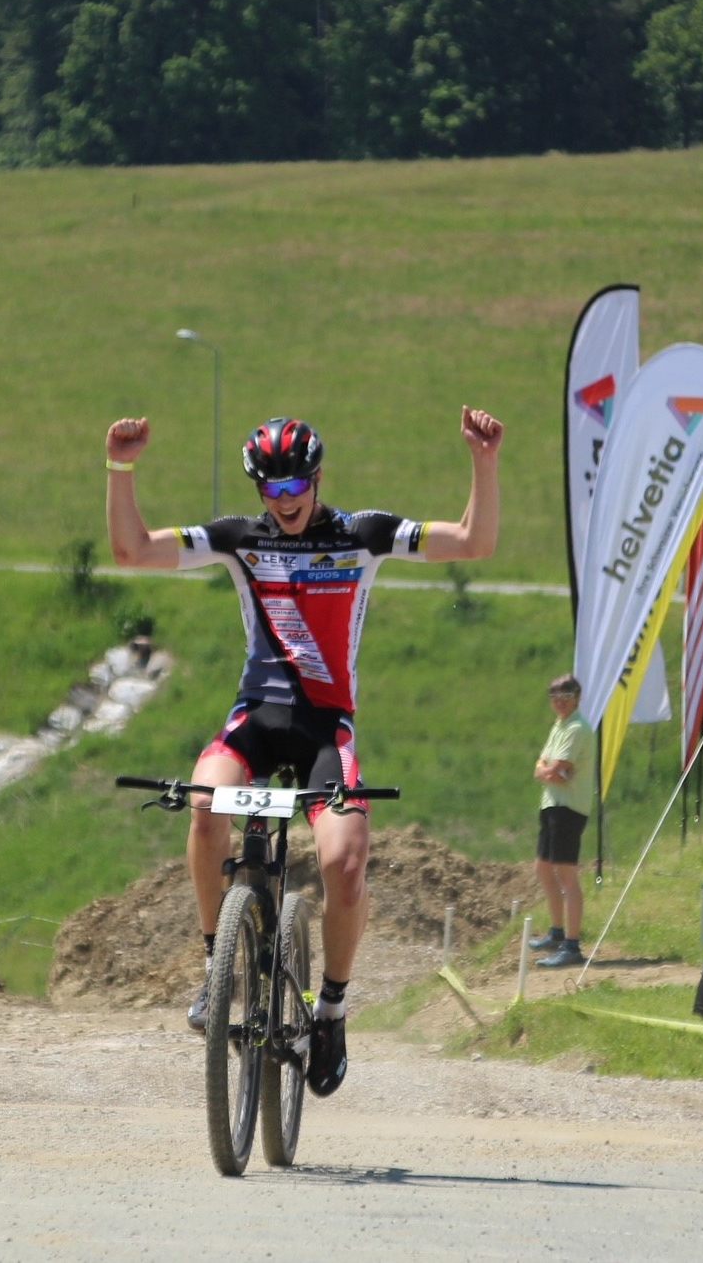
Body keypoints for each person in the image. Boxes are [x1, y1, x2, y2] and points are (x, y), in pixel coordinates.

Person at [106, 408, 503, 1097]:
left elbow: (473, 542)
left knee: (344, 863)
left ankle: (330, 1012)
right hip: (256, 718)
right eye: (271, 490)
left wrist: (483, 460)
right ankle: (216, 969)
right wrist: (120, 466)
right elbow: (132, 551)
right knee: (203, 808)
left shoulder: (362, 534)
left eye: (296, 489)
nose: (284, 503)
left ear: (317, 481)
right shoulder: (239, 538)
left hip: (325, 728)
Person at [527, 673, 595, 969]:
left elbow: (556, 769)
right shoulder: (561, 725)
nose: (559, 703)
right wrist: (549, 771)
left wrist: (549, 771)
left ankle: (572, 944)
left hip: (568, 806)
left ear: (576, 699)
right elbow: (543, 767)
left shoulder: (577, 728)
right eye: (554, 697)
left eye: (565, 698)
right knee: (543, 868)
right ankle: (556, 932)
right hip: (552, 803)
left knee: (567, 875)